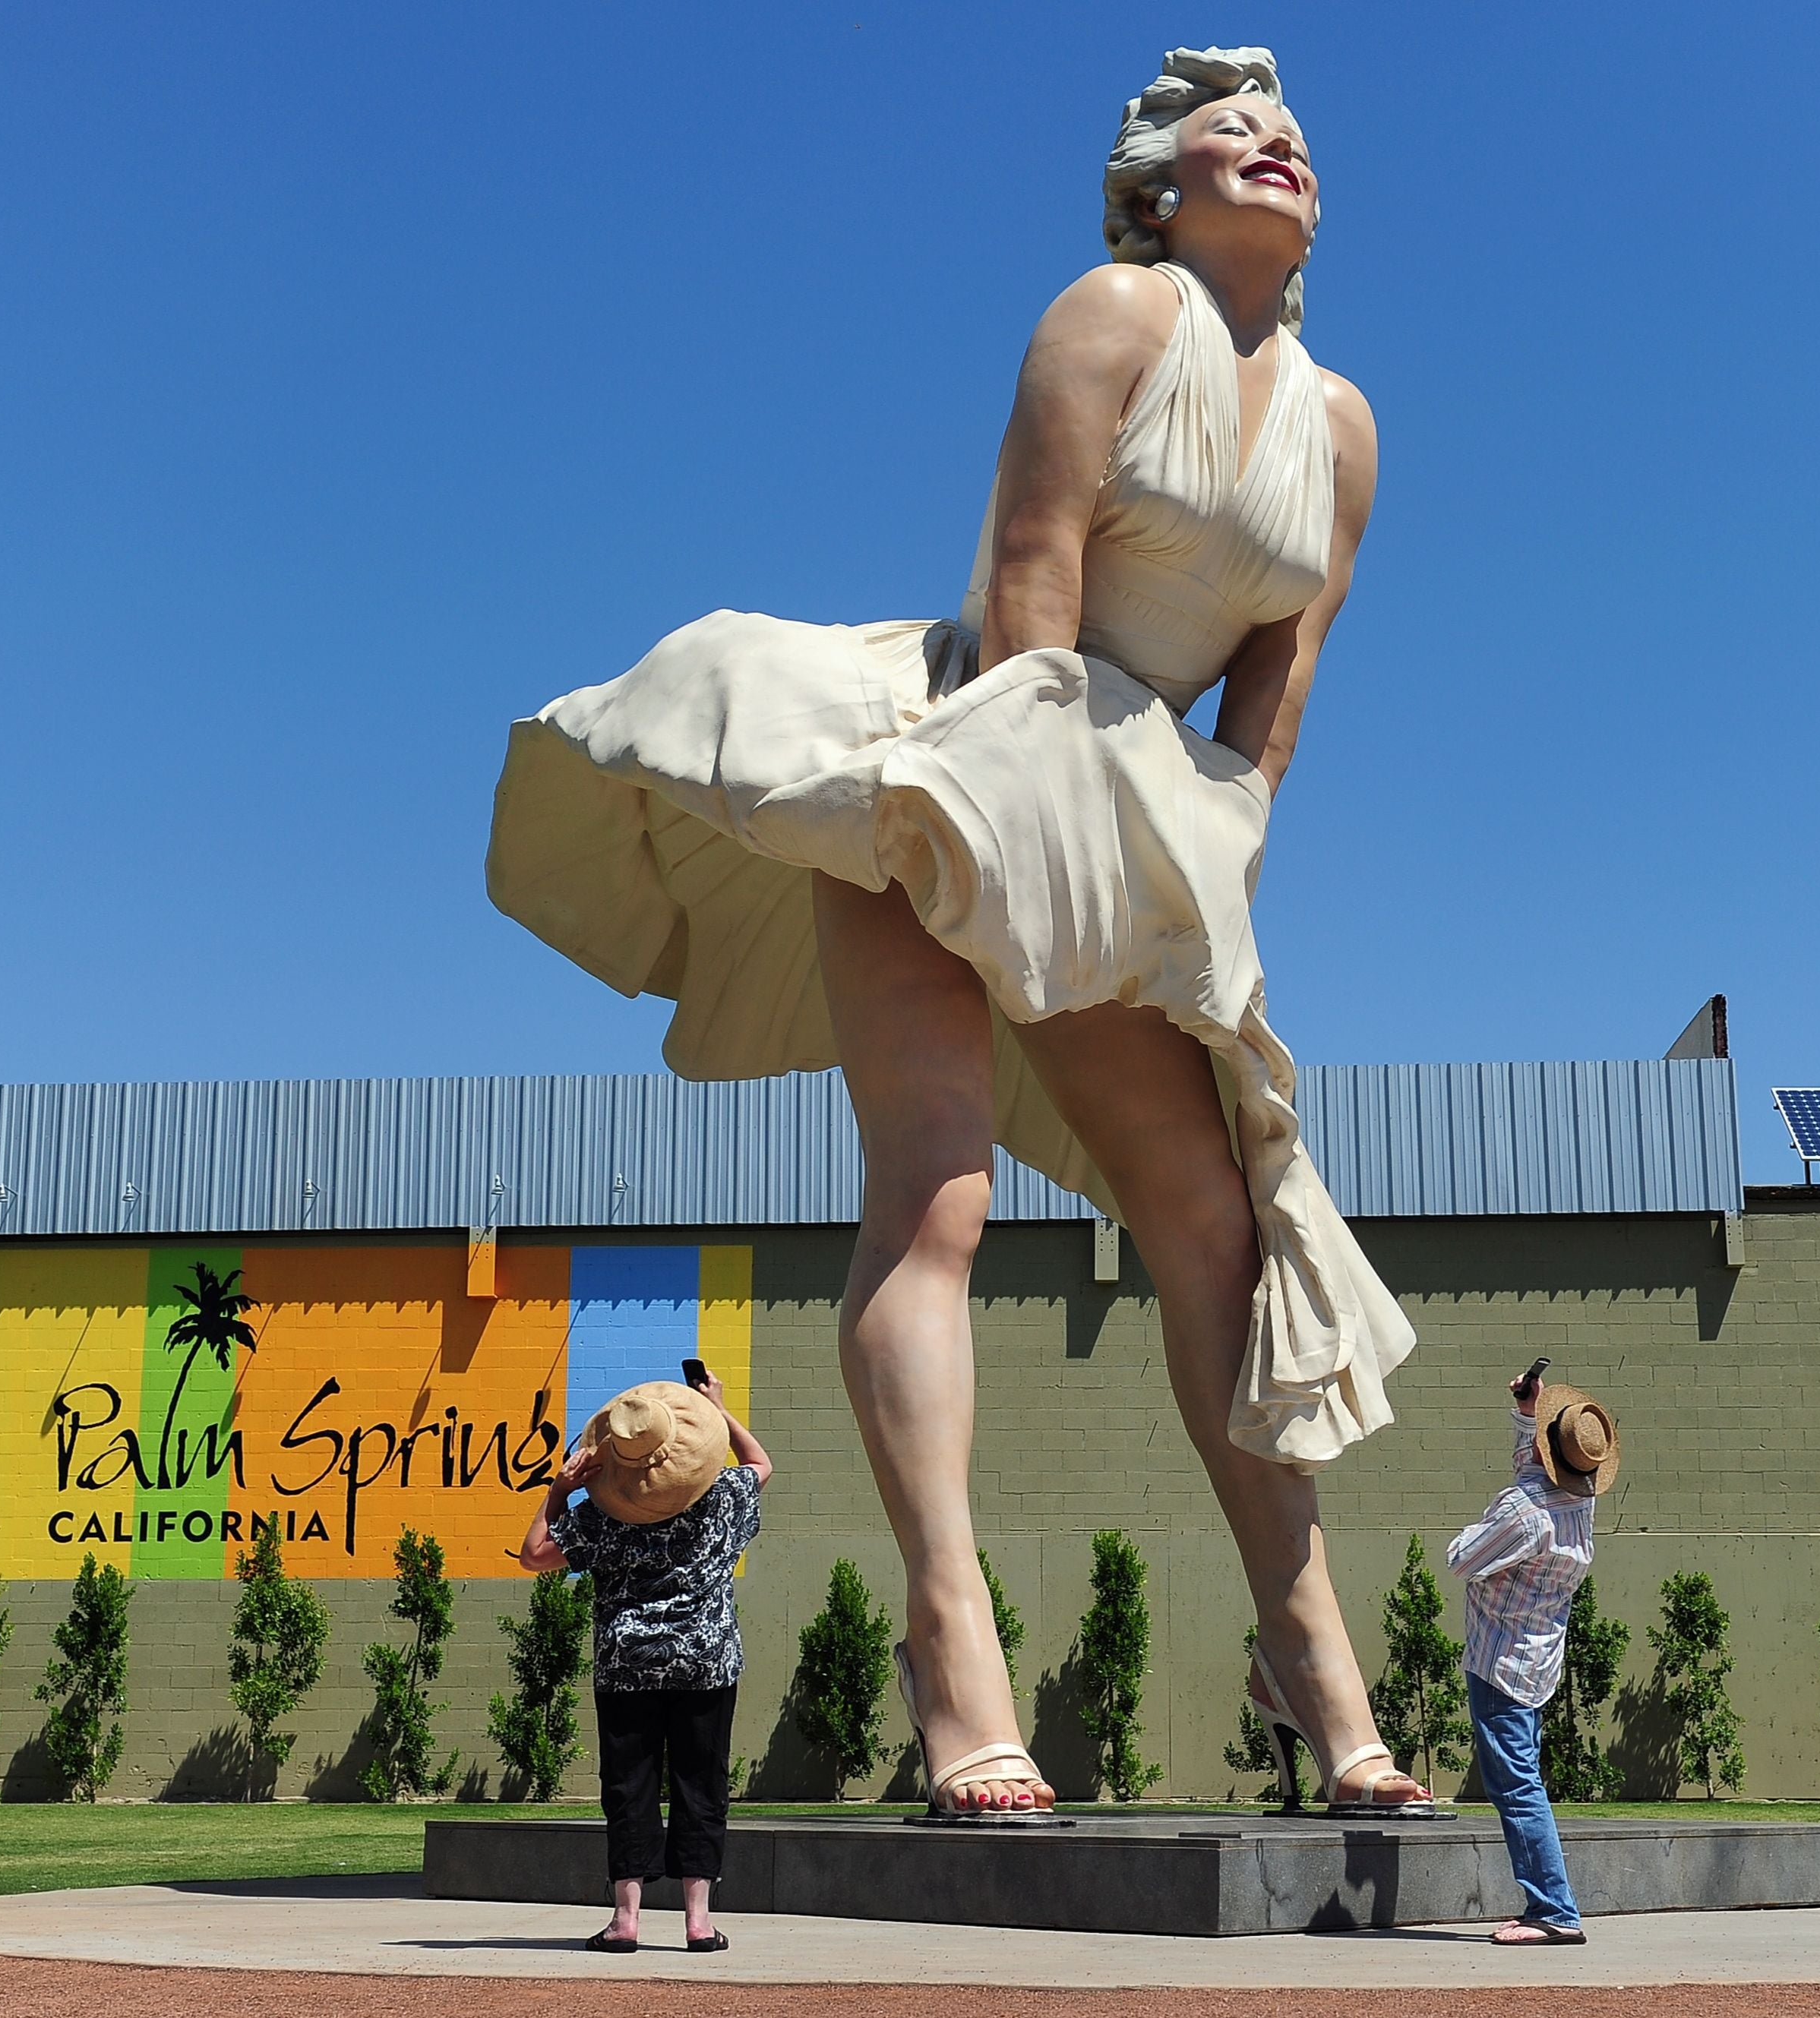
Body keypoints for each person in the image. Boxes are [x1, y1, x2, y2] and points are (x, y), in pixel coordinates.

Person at [486, 46, 1429, 1820]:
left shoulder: (1343, 430)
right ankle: (951, 1653)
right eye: (1230, 130)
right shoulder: (1104, 316)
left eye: (1292, 134)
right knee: (936, 1190)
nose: (1275, 147)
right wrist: (1042, 863)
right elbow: (1027, 592)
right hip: (960, 766)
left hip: (1141, 817)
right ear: (1156, 185)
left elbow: (1270, 706)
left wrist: (1185, 909)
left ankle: (1307, 1658)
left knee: (1214, 1227)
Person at [517, 1373, 770, 1953]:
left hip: (626, 1667)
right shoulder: (725, 1499)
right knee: (701, 1784)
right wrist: (717, 1411)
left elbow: (534, 1554)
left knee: (629, 1786)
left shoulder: (603, 1520)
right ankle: (698, 1922)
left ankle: (625, 1920)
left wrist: (558, 1491)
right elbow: (760, 1462)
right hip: (706, 1663)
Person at [1441, 1369, 1617, 1947]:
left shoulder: (1523, 1510)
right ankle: (1550, 1904)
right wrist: (1526, 1412)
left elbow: (1462, 1558)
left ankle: (1553, 1908)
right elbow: (1535, 1469)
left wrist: (1475, 1526)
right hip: (1536, 1659)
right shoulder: (1578, 1502)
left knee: (1517, 1786)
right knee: (1521, 1780)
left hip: (1499, 1663)